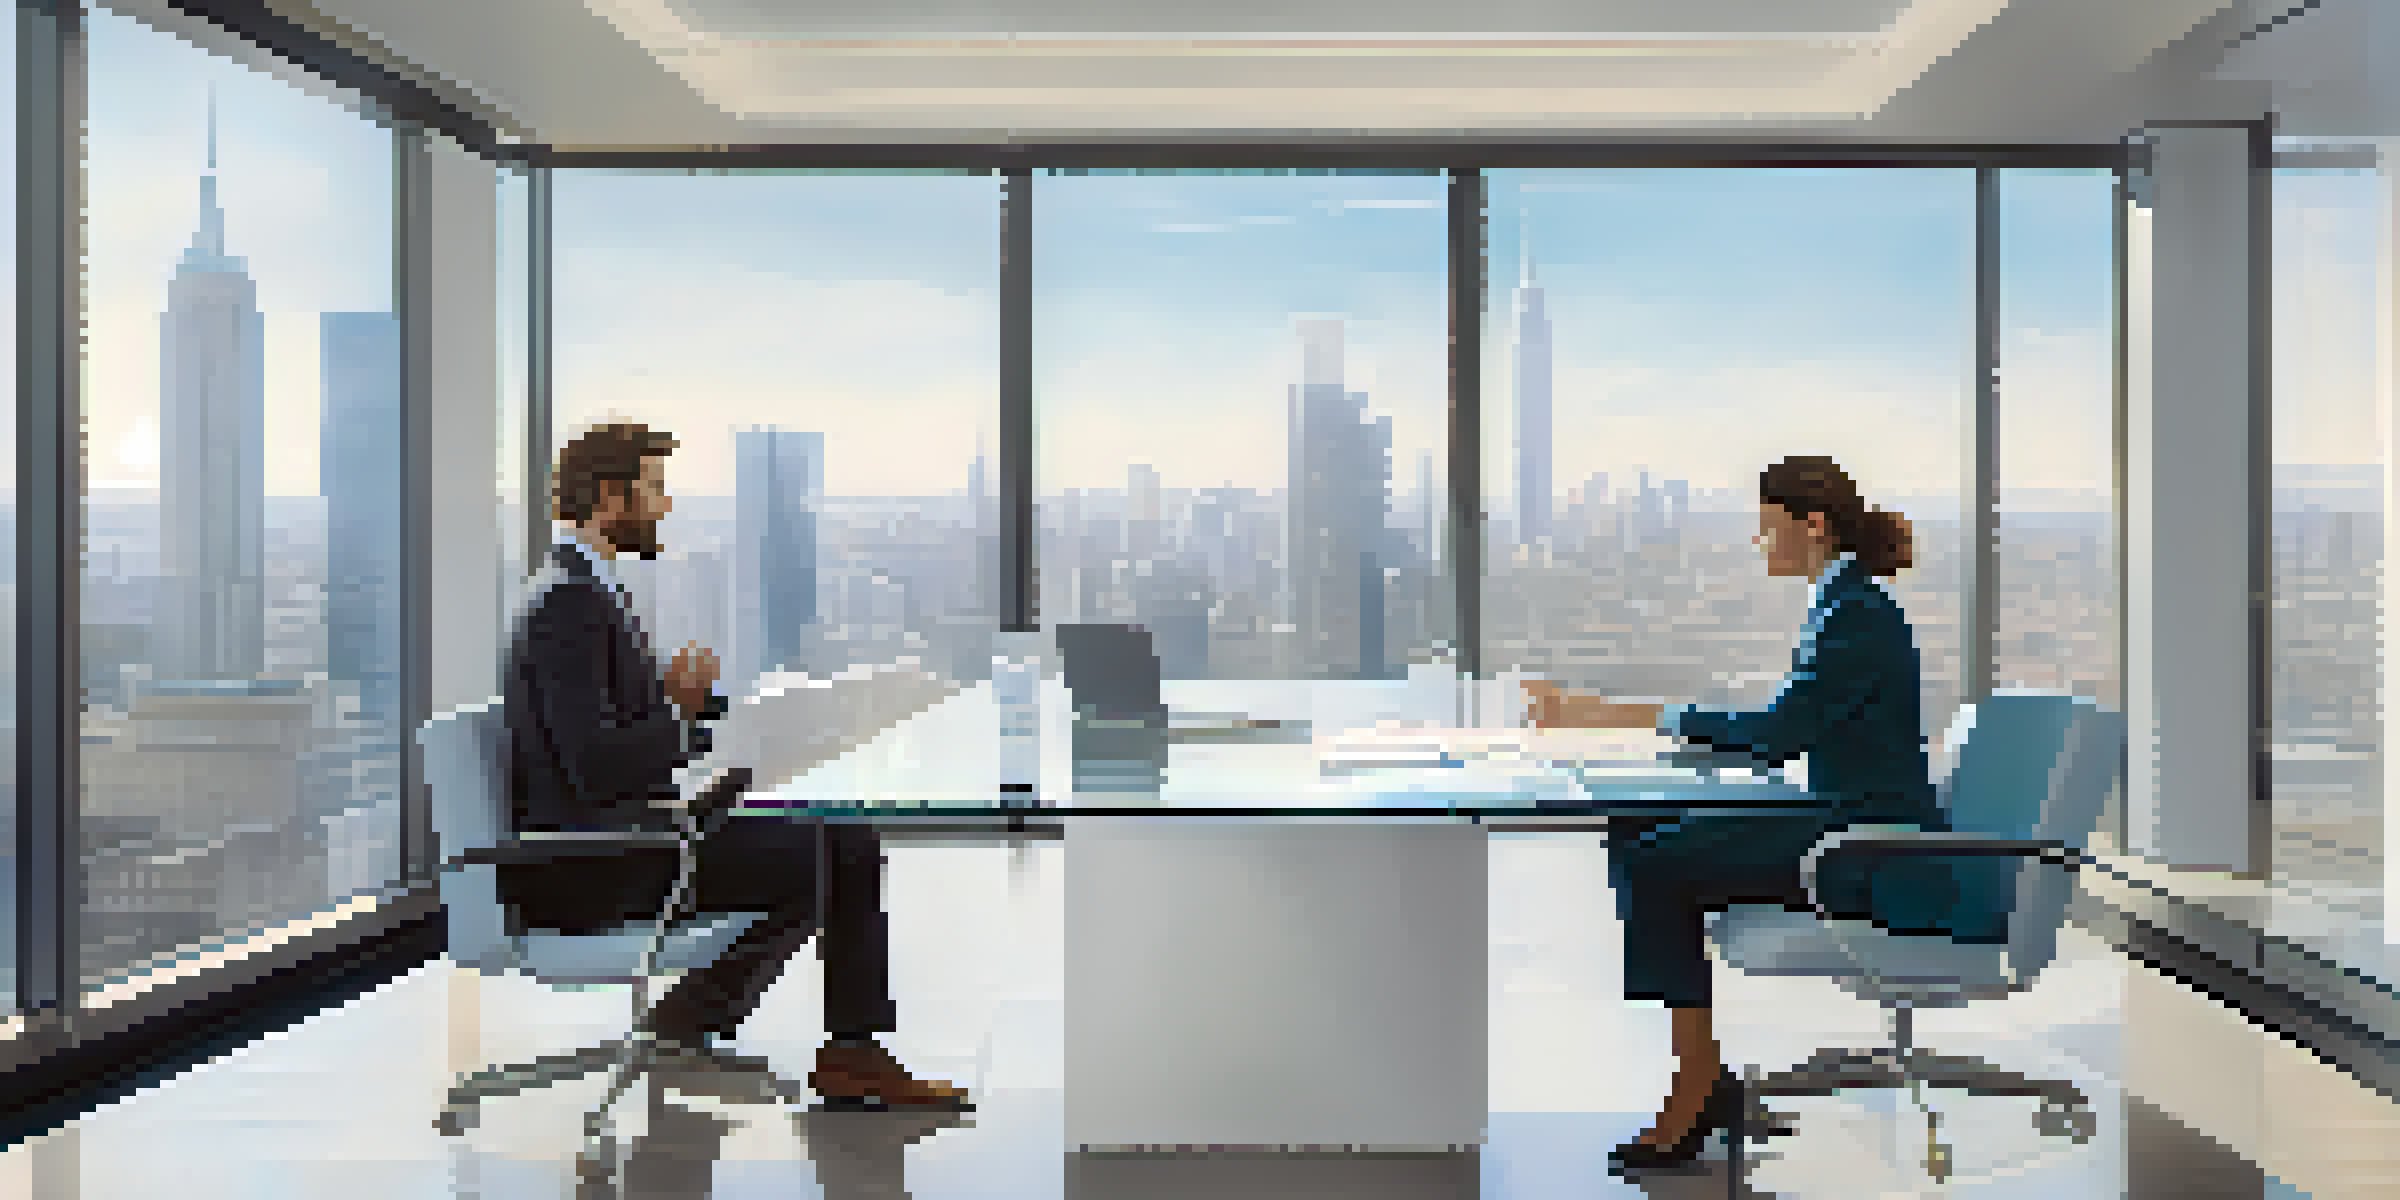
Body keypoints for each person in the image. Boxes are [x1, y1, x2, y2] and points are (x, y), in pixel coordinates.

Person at [499, 420, 967, 1109]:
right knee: (845, 841)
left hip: (624, 837)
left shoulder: (585, 590)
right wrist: (680, 713)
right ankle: (846, 1053)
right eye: (653, 489)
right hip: (594, 864)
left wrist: (685, 713)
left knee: (828, 841)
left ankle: (702, 1017)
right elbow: (594, 768)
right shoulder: (568, 603)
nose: (664, 505)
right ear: (608, 498)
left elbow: (605, 746)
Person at [1522, 455, 1941, 1171]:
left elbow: (1780, 733)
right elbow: (1798, 726)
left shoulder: (1854, 614)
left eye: (1766, 528)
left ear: (1812, 526)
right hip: (1846, 821)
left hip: (1867, 846)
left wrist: (1643, 717)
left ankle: (1696, 1082)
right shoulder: (1843, 601)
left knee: (1655, 858)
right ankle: (1701, 1069)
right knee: (1639, 832)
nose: (1759, 544)